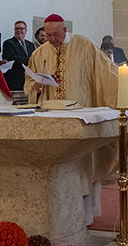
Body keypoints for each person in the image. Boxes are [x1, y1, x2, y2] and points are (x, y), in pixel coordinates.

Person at [24, 13, 120, 224]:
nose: (50, 39)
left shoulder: (84, 45)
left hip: (79, 118)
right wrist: (36, 87)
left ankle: (84, 213)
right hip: (52, 119)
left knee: (82, 164)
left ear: (65, 30)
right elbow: (29, 83)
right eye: (47, 35)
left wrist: (127, 81)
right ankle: (57, 211)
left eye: (55, 35)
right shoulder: (40, 53)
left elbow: (106, 72)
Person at [1, 20, 38, 90]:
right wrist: (30, 60)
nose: (19, 30)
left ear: (26, 30)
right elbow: (11, 58)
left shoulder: (30, 44)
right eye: (16, 28)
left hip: (29, 79)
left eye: (21, 28)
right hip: (16, 79)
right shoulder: (8, 43)